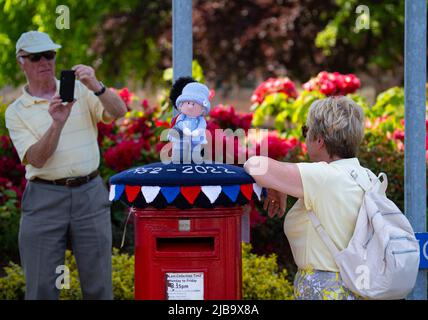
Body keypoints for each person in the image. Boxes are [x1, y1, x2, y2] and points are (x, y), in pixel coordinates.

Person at [5, 31, 127, 300]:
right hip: (44, 198)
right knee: (41, 290)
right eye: (35, 57)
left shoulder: (82, 91)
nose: (44, 62)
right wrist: (57, 123)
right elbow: (36, 158)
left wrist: (97, 85)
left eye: (49, 55)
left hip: (89, 193)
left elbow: (119, 112)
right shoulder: (16, 111)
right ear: (21, 61)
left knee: (99, 288)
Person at [244, 96, 367, 300]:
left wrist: (276, 183)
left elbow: (255, 164)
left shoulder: (322, 176)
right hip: (356, 285)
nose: (305, 137)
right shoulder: (364, 176)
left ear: (319, 140)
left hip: (326, 292)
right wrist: (280, 183)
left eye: (305, 131)